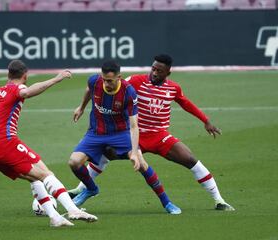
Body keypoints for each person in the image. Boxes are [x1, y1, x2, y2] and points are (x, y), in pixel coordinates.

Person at [70, 54, 235, 211]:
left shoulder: (173, 88)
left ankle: (219, 200)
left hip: (159, 136)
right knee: (104, 154)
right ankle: (81, 189)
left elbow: (186, 104)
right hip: (133, 135)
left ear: (168, 72)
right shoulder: (136, 81)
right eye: (153, 69)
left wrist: (205, 120)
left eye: (159, 71)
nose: (155, 73)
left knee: (190, 159)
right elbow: (116, 88)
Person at [0, 60, 98, 227]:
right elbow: (25, 93)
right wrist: (56, 79)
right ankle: (72, 210)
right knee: (46, 174)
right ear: (25, 76)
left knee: (34, 179)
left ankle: (55, 218)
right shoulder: (15, 89)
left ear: (8, 75)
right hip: (7, 143)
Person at [68, 60, 181, 214]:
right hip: (96, 132)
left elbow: (134, 126)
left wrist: (134, 152)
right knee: (74, 162)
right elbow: (89, 89)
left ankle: (166, 203)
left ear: (119, 77)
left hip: (120, 133)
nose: (106, 84)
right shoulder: (95, 80)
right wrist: (81, 107)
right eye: (104, 80)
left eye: (110, 81)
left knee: (141, 164)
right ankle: (91, 189)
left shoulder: (128, 92)